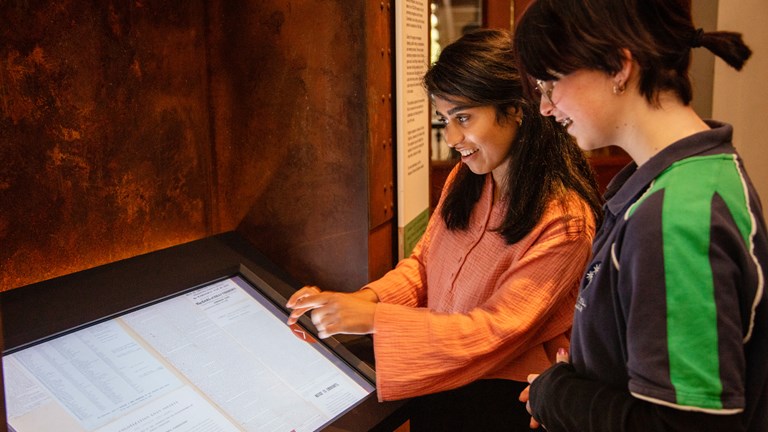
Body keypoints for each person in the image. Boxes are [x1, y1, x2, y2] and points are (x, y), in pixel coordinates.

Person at [286, 28, 603, 431]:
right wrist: (360, 300)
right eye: (445, 119)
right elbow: (423, 266)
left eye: (464, 117)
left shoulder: (565, 220)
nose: (452, 137)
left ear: (517, 108)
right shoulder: (466, 179)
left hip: (498, 404)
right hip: (437, 381)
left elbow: (494, 331)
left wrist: (372, 319)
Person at [514, 1, 768, 431]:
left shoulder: (674, 217)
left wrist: (557, 395)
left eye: (550, 82)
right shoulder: (690, 177)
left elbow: (684, 425)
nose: (545, 106)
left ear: (618, 66)